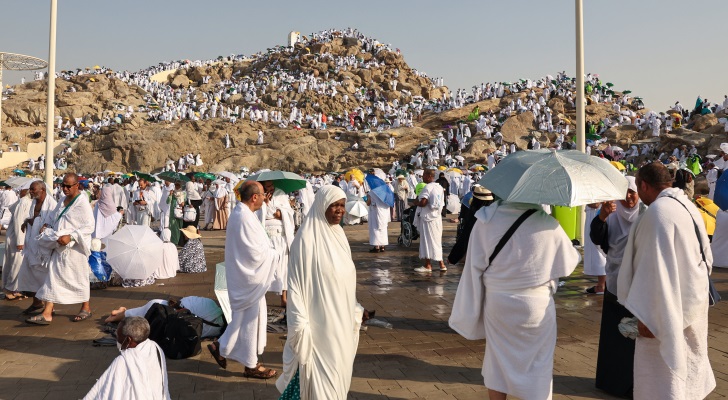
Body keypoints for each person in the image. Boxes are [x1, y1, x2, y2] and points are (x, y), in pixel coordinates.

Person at [449, 199, 580, 400]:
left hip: (498, 304)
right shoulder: (547, 223)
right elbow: (569, 262)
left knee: (497, 361)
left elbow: (473, 265)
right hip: (536, 305)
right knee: (538, 363)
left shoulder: (486, 221)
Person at [618, 162, 715, 398]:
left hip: (666, 309)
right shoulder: (686, 204)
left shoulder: (658, 213)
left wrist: (650, 316)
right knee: (688, 369)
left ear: (643, 184)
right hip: (691, 298)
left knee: (662, 378)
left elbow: (655, 269)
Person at [276, 185, 364, 399]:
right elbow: (295, 286)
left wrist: (354, 308)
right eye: (334, 205)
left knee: (340, 374)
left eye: (342, 205)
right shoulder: (305, 241)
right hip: (318, 327)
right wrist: (299, 325)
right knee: (323, 381)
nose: (339, 210)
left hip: (341, 323)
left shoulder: (340, 236)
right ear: (322, 205)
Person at [207, 181, 279, 378]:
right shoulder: (242, 216)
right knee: (249, 321)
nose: (265, 198)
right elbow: (254, 252)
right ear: (254, 197)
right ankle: (250, 364)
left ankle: (221, 347)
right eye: (263, 195)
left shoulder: (245, 214)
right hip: (248, 277)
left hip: (247, 278)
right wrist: (274, 254)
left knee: (244, 319)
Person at [589, 177, 643, 397]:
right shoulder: (610, 216)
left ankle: (636, 382)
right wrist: (601, 217)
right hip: (615, 280)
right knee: (615, 334)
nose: (629, 197)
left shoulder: (646, 215)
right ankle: (612, 381)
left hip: (639, 282)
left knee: (635, 336)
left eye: (633, 192)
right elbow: (597, 238)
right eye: (625, 193)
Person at [27, 173, 95, 325]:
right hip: (59, 245)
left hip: (75, 249)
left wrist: (71, 237)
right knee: (53, 276)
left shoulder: (82, 202)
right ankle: (47, 312)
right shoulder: (63, 200)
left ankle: (86, 307)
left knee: (79, 277)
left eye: (68, 186)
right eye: (63, 185)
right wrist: (47, 226)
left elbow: (89, 226)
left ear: (77, 185)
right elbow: (53, 217)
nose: (64, 189)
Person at [83, 317, 171, 400]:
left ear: (128, 339)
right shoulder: (154, 347)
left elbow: (103, 388)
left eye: (118, 335)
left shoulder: (123, 360)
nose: (117, 338)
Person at [17, 181, 57, 314]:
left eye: (33, 189)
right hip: (32, 245)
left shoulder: (51, 204)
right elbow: (34, 217)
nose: (31, 192)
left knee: (44, 277)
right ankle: (36, 303)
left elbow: (54, 222)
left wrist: (44, 225)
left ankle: (49, 307)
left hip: (43, 248)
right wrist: (27, 222)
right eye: (30, 189)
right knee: (30, 275)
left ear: (43, 189)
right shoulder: (33, 202)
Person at [105, 296, 224, 338]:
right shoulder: (218, 330)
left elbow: (183, 302)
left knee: (138, 313)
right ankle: (121, 313)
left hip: (160, 312)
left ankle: (118, 315)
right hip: (165, 323)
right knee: (138, 315)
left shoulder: (210, 304)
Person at [258, 181, 294, 313]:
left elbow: (287, 213)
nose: (271, 188)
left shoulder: (281, 195)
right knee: (266, 268)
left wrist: (277, 213)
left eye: (271, 186)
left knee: (283, 268)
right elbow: (262, 215)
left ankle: (284, 298)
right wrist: (266, 204)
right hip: (267, 237)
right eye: (267, 186)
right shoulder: (259, 197)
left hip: (281, 237)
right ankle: (261, 298)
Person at [447, 185, 494, 265]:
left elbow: (465, 236)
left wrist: (453, 257)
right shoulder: (496, 213)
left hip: (478, 256)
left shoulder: (475, 214)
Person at [1, 185, 32, 300]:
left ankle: (14, 289)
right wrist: (20, 241)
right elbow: (19, 223)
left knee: (16, 264)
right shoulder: (24, 202)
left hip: (19, 238)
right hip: (17, 239)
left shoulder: (26, 202)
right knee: (15, 264)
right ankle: (9, 289)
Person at [413, 169, 446, 272]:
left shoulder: (428, 187)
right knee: (436, 241)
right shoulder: (439, 187)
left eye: (423, 175)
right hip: (436, 217)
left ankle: (428, 265)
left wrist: (416, 203)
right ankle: (441, 264)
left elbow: (423, 202)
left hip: (428, 218)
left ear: (428, 176)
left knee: (427, 240)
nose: (422, 177)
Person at [583, 202, 607, 294]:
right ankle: (601, 284)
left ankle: (602, 285)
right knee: (595, 250)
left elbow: (596, 203)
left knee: (598, 250)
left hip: (597, 214)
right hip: (594, 214)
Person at [366, 185, 390, 253]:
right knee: (383, 229)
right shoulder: (385, 192)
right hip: (383, 212)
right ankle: (382, 246)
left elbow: (368, 203)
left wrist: (366, 198)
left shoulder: (372, 192)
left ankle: (377, 246)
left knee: (375, 228)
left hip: (375, 212)